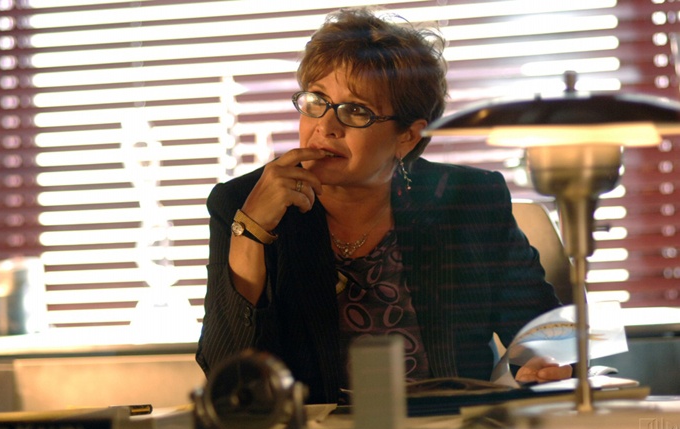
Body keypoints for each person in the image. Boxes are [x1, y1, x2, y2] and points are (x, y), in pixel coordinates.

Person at [196, 7, 572, 404]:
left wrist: (544, 364)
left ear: (407, 136)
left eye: (356, 110)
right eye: (317, 101)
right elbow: (227, 377)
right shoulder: (243, 203)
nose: (326, 126)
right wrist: (250, 232)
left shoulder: (468, 199)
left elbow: (550, 338)